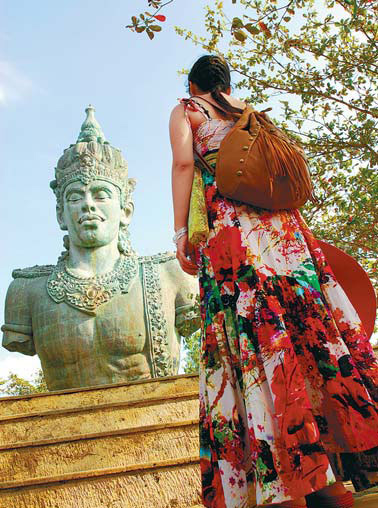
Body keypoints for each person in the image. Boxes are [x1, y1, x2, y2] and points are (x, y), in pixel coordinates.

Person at [169, 55, 378, 508]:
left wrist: (182, 232)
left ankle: (283, 482)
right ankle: (328, 477)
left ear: (192, 82)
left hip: (235, 240)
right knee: (302, 337)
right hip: (287, 238)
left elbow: (184, 165)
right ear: (227, 83)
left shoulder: (188, 108)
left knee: (257, 341)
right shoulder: (251, 113)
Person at [2, 105, 200, 391]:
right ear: (61, 214)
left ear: (125, 211)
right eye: (74, 197)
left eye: (101, 194)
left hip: (156, 424)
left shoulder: (169, 275)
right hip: (64, 428)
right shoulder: (25, 290)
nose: (88, 204)